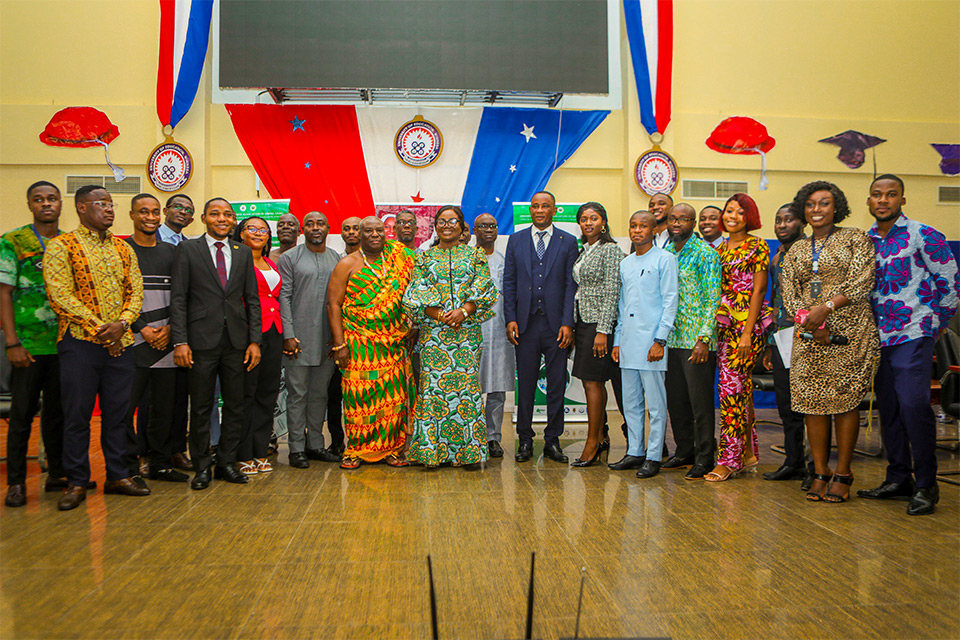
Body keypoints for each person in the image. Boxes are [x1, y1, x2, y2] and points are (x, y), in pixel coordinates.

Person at [43, 185, 149, 510]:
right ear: (81, 208)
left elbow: (136, 291)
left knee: (118, 415)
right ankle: (76, 481)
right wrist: (101, 329)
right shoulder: (62, 246)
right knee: (77, 416)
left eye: (110, 204)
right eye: (101, 204)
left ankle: (118, 476)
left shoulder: (123, 248)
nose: (109, 209)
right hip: (80, 345)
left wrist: (122, 324)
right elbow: (59, 294)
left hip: (122, 344)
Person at [859, 174, 959, 515]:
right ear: (868, 201)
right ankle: (899, 477)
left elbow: (950, 281)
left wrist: (936, 323)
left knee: (914, 405)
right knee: (889, 407)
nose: (883, 200)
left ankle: (927, 484)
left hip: (913, 332)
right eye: (877, 194)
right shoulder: (864, 242)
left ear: (902, 200)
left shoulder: (923, 234)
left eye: (891, 194)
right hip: (877, 336)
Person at [781, 181, 879, 502]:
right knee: (812, 403)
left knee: (844, 402)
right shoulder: (796, 250)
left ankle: (844, 472)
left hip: (849, 333)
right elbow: (789, 294)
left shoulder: (855, 238)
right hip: (809, 334)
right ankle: (821, 471)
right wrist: (811, 321)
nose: (817, 209)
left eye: (824, 203)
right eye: (810, 204)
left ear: (836, 207)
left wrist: (826, 308)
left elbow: (862, 281)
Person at [170, 197, 262, 490]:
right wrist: (180, 341)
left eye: (227, 214)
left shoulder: (243, 252)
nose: (221, 219)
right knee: (201, 407)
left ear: (233, 220)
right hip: (199, 342)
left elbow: (252, 300)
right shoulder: (188, 249)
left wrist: (255, 341)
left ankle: (226, 463)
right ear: (203, 219)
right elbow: (178, 298)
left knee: (235, 405)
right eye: (215, 214)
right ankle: (201, 467)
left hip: (236, 342)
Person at [403, 206, 498, 468]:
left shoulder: (476, 255)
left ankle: (468, 453)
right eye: (442, 221)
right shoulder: (424, 257)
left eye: (452, 221)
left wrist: (464, 312)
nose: (447, 225)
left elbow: (485, 289)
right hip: (434, 336)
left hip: (466, 335)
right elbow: (414, 294)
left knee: (466, 391)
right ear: (435, 226)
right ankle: (432, 453)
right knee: (433, 391)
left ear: (461, 225)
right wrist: (439, 315)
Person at [327, 217, 416, 469]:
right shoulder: (347, 264)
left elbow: (417, 292)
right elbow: (333, 305)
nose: (375, 234)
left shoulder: (400, 257)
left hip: (393, 343)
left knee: (393, 399)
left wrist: (414, 325)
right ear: (360, 234)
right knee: (359, 398)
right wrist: (339, 345)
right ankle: (356, 450)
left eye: (379, 230)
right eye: (369, 231)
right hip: (359, 345)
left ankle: (392, 449)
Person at [1, 181, 67, 507]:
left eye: (51, 198)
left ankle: (56, 474)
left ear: (60, 203)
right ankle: (16, 483)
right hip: (27, 346)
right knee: (22, 416)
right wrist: (12, 342)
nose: (46, 204)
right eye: (39, 199)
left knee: (57, 415)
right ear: (29, 205)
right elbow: (4, 294)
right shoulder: (12, 241)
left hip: (64, 346)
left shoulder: (68, 242)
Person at [503, 191, 579, 463]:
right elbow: (509, 282)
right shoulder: (516, 240)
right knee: (526, 384)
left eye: (545, 206)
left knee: (556, 384)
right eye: (535, 206)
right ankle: (525, 439)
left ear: (554, 210)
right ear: (530, 210)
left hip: (556, 326)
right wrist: (510, 318)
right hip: (525, 325)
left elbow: (571, 286)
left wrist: (568, 322)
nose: (539, 210)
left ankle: (553, 440)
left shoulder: (568, 241)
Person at [707, 193, 774, 482]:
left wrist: (747, 332)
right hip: (722, 326)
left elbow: (759, 290)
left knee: (730, 391)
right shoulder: (719, 248)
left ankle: (728, 460)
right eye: (729, 211)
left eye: (739, 212)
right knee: (740, 390)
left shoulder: (757, 245)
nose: (732, 216)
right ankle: (747, 452)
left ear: (750, 217)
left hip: (746, 327)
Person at [122, 194, 186, 484]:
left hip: (166, 343)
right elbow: (118, 296)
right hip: (132, 342)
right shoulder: (122, 251)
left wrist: (171, 328)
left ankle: (160, 464)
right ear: (132, 215)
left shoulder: (172, 253)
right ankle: (128, 468)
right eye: (143, 211)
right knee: (125, 409)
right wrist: (142, 328)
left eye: (155, 212)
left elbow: (182, 295)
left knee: (163, 409)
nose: (150, 217)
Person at [610, 212, 678, 478]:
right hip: (628, 343)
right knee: (631, 402)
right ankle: (635, 451)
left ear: (654, 230)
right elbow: (622, 305)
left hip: (652, 344)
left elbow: (670, 301)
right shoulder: (625, 263)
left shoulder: (665, 259)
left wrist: (660, 339)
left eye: (643, 226)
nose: (637, 230)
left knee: (656, 405)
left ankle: (653, 456)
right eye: (633, 226)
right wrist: (617, 341)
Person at [277, 211, 342, 467]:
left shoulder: (336, 258)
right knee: (297, 395)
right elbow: (284, 296)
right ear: (302, 230)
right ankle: (296, 448)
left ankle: (315, 445)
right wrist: (289, 335)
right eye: (310, 224)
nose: (315, 227)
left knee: (319, 395)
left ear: (328, 228)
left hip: (327, 341)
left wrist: (338, 338)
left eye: (320, 223)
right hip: (298, 340)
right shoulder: (290, 258)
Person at [663, 203, 722, 479]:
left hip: (696, 341)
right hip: (670, 339)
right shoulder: (666, 253)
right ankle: (684, 450)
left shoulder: (705, 254)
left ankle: (705, 456)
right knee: (676, 401)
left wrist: (704, 339)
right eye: (673, 219)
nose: (677, 223)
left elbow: (713, 298)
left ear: (693, 223)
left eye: (683, 219)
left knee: (700, 404)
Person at [569, 202, 623, 467]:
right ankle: (600, 437)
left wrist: (603, 330)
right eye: (583, 219)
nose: (588, 223)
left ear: (603, 222)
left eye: (593, 218)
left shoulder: (610, 249)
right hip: (583, 323)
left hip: (598, 326)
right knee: (591, 382)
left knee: (593, 382)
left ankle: (592, 442)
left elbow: (613, 290)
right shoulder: (585, 250)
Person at [761, 204, 810, 483]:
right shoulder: (777, 256)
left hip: (808, 337)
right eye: (778, 220)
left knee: (811, 404)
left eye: (789, 220)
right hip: (782, 338)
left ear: (802, 223)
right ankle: (794, 462)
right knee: (786, 404)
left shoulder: (811, 253)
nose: (782, 225)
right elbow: (775, 302)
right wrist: (771, 343)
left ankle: (818, 466)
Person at [234, 216, 283, 475]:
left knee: (267, 394)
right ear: (241, 234)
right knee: (247, 394)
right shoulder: (236, 262)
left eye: (263, 229)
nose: (258, 233)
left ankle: (260, 450)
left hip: (274, 332)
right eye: (251, 228)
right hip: (248, 334)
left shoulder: (269, 262)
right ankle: (242, 453)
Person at [157, 193, 196, 471]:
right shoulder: (150, 240)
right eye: (178, 207)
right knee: (154, 399)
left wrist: (179, 328)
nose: (182, 212)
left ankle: (176, 450)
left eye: (188, 210)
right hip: (152, 330)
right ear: (166, 210)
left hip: (182, 329)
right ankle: (149, 454)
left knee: (180, 396)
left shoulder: (189, 246)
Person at [474, 214, 514, 458]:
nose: (488, 230)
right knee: (470, 386)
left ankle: (493, 437)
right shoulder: (467, 260)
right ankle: (471, 436)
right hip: (471, 332)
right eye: (483, 226)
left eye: (492, 226)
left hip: (499, 332)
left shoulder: (504, 261)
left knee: (497, 387)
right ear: (474, 230)